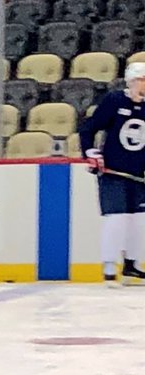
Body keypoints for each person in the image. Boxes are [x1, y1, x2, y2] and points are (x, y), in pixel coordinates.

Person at [79, 61, 145, 286]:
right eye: (141, 80)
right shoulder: (115, 101)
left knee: (140, 221)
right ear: (131, 81)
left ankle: (132, 266)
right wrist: (89, 151)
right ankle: (109, 267)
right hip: (113, 172)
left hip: (139, 175)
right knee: (116, 219)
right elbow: (89, 127)